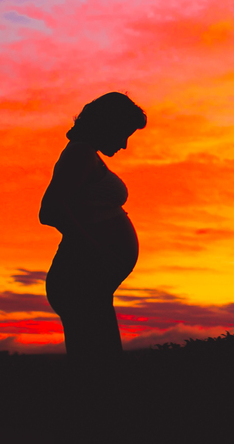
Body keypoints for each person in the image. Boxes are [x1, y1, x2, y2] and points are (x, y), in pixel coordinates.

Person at [40, 92, 146, 365]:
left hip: (87, 279)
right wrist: (97, 250)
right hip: (79, 277)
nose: (123, 145)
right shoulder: (80, 153)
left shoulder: (86, 154)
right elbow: (50, 210)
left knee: (100, 359)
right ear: (107, 124)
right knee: (98, 364)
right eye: (123, 133)